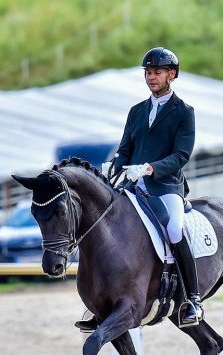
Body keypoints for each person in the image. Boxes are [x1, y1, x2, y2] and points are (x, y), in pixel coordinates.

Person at [76, 46, 203, 331]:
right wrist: (116, 164)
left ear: (171, 74)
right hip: (133, 186)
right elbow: (125, 149)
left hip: (165, 186)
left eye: (157, 72)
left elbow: (181, 156)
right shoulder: (136, 111)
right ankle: (99, 305)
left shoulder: (184, 112)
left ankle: (192, 299)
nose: (151, 77)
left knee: (174, 229)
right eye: (147, 72)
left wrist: (149, 168)